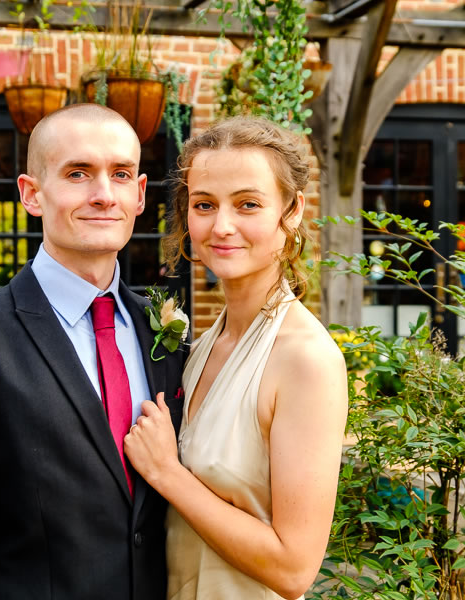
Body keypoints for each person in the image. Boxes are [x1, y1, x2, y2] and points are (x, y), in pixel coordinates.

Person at [0, 103, 186, 600]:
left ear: (140, 195)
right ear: (32, 193)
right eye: (78, 173)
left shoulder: (166, 336)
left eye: (120, 174)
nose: (104, 195)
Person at [124, 116, 349, 600]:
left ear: (292, 211)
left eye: (248, 204)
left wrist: (167, 473)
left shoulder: (306, 361)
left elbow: (294, 569)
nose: (222, 226)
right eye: (204, 205)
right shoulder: (203, 345)